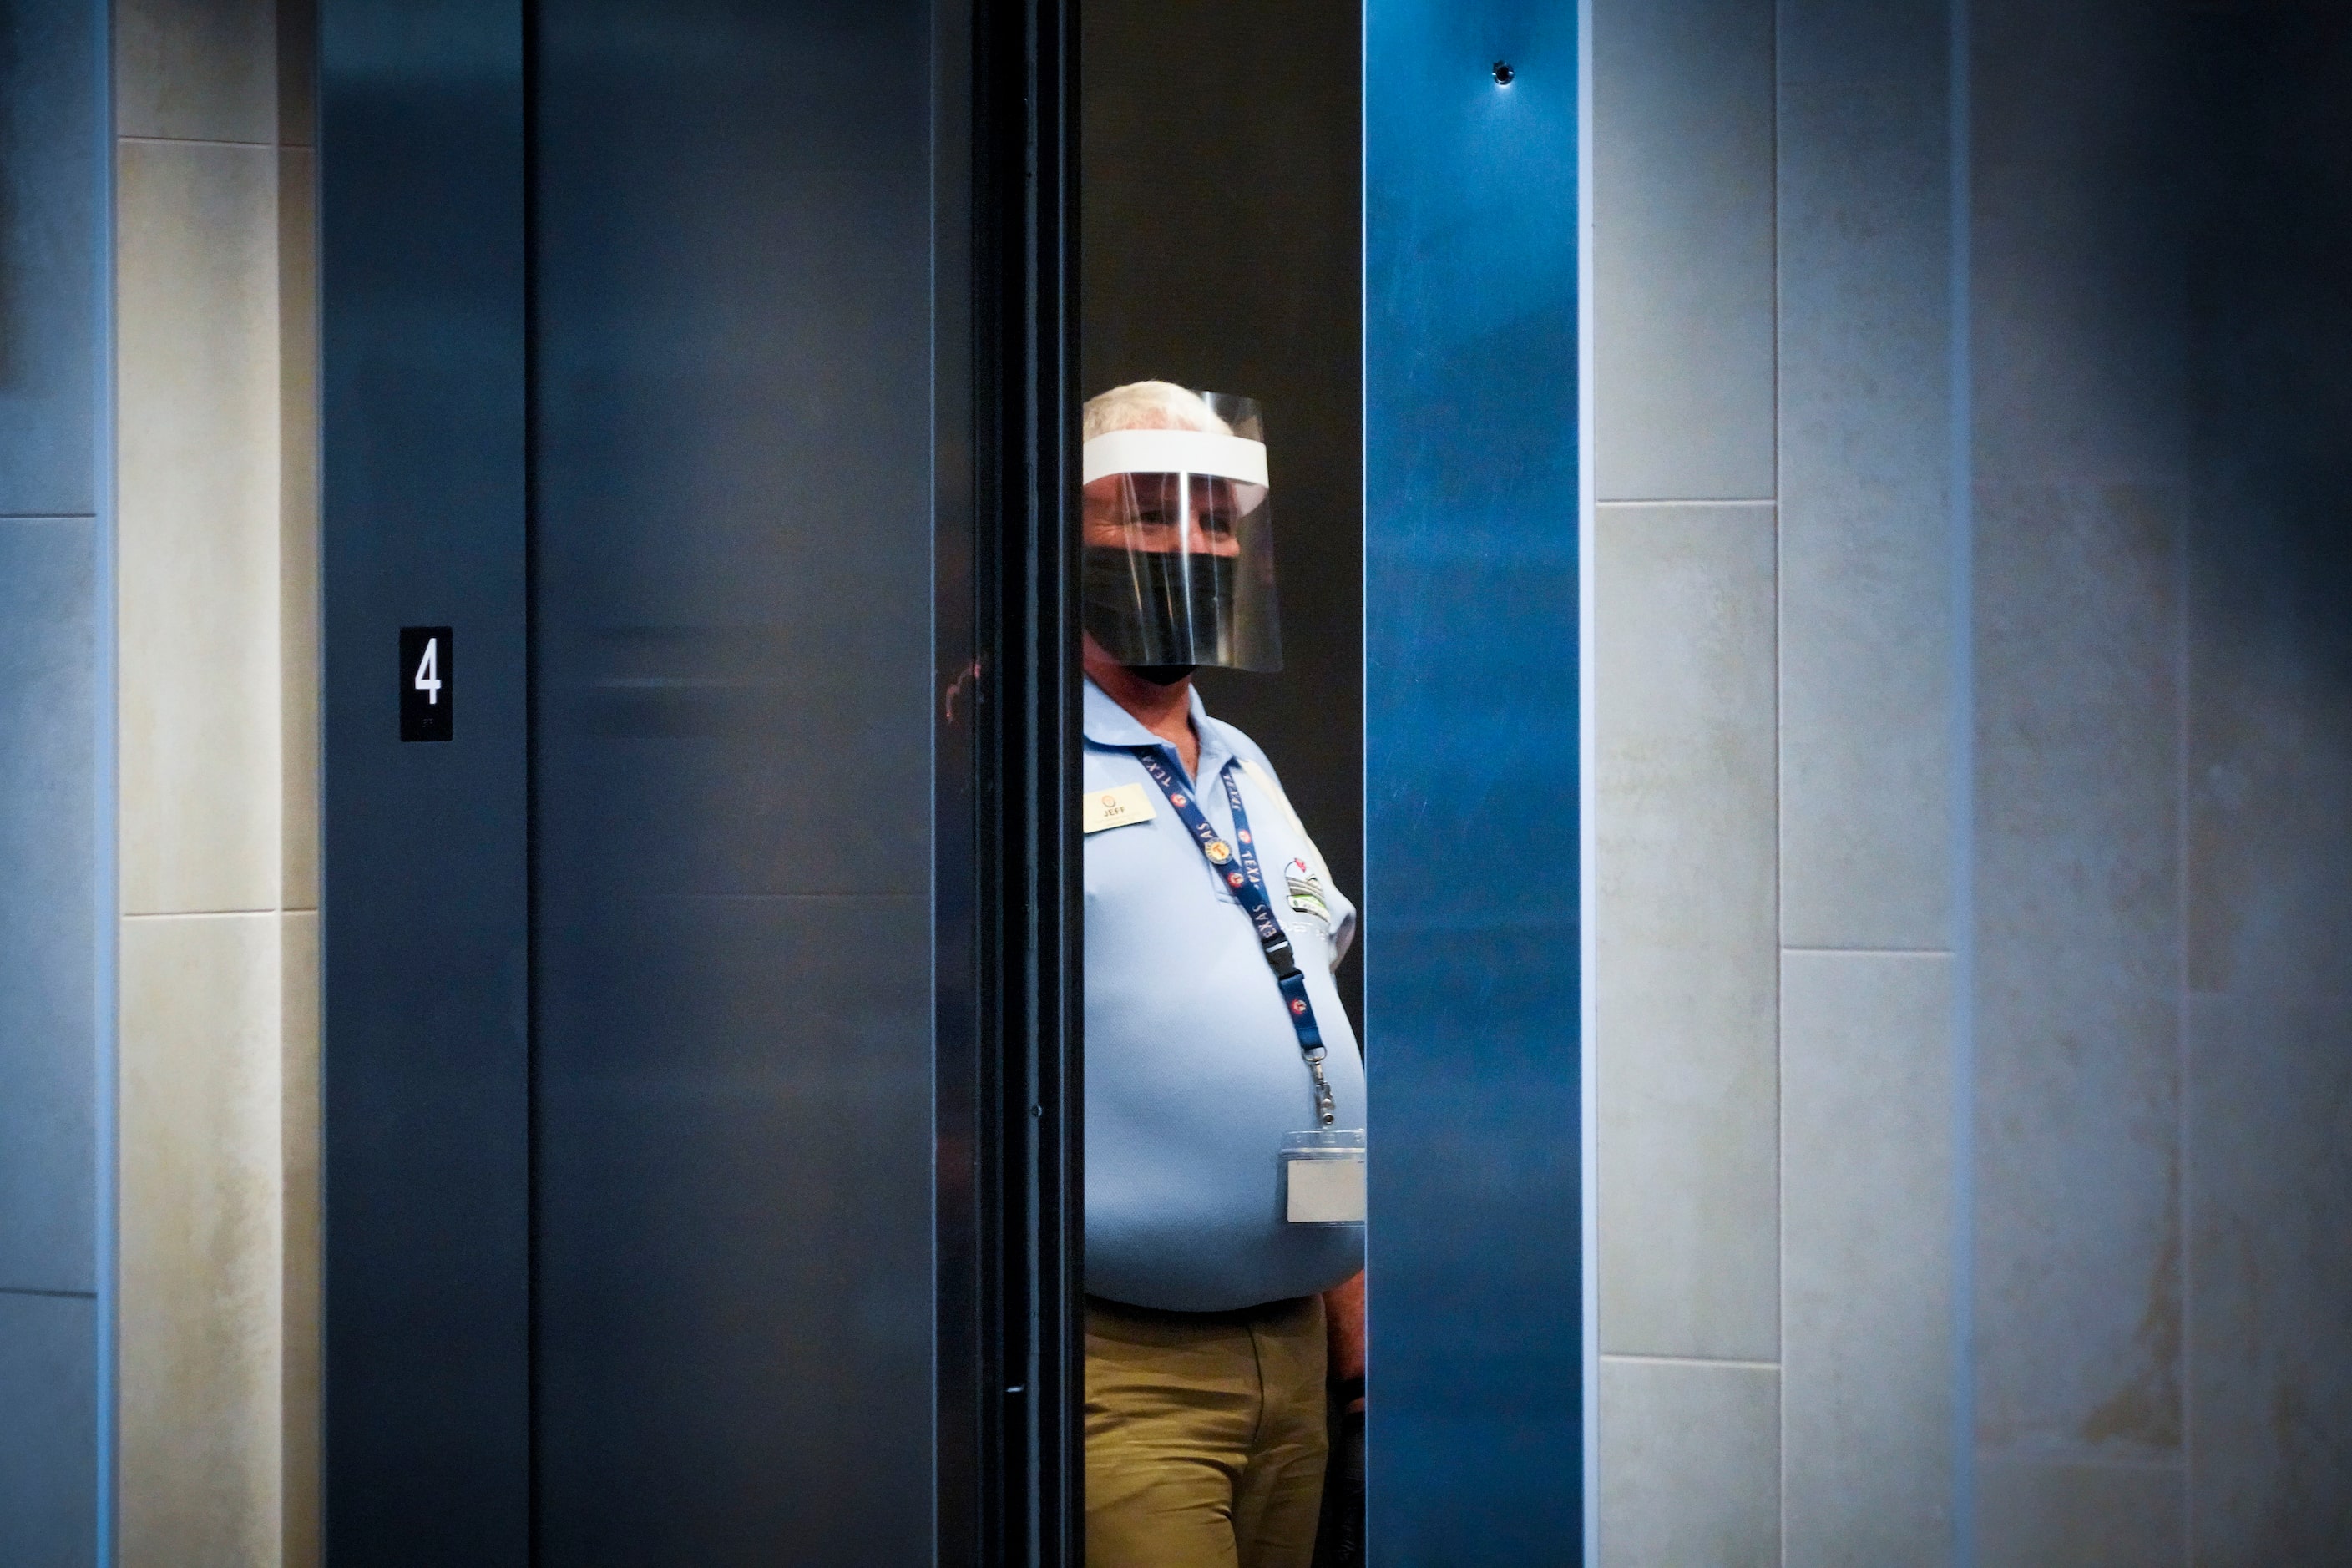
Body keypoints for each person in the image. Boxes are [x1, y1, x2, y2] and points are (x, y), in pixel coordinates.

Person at [1079, 380, 1367, 1568]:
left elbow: (1307, 1032)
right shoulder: (997, 746)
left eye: (1212, 522)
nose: (1189, 547)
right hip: (1126, 1364)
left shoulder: (1243, 763)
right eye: (1150, 515)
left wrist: (1349, 1313)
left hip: (1294, 1351)